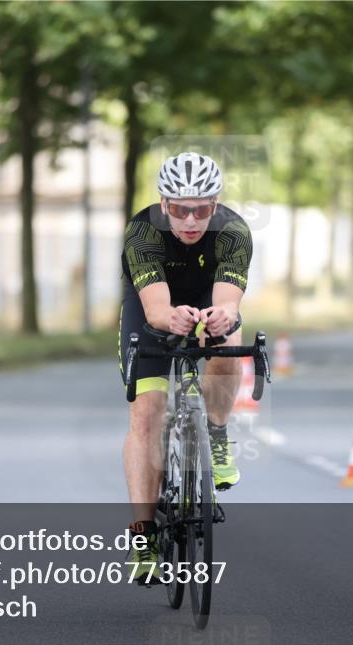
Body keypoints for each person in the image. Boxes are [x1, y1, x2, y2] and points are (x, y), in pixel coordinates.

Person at [119, 151, 253, 583]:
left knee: (228, 339)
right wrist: (170, 318)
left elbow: (229, 301)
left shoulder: (233, 231)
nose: (190, 220)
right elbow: (158, 309)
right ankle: (143, 538)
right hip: (151, 310)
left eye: (200, 209)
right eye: (180, 209)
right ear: (164, 205)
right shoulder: (142, 232)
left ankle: (215, 433)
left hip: (211, 299)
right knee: (147, 412)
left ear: (215, 206)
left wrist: (222, 316)